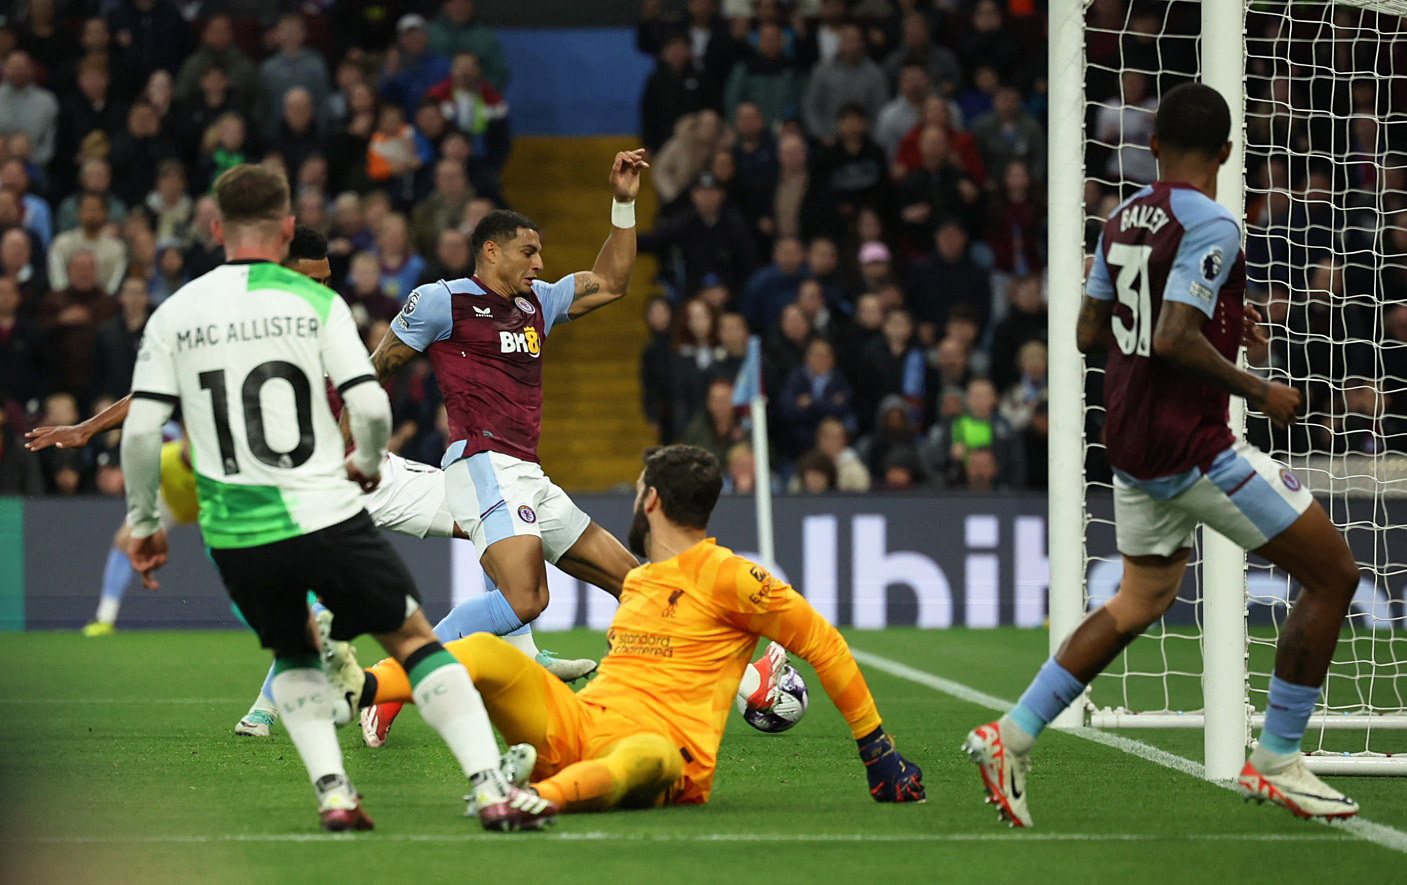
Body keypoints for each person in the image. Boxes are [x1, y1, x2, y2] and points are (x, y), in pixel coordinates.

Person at [963, 83, 1362, 827]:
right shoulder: (1213, 220)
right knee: (1333, 573)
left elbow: (1089, 333)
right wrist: (1258, 387)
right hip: (1194, 444)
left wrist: (1212, 322)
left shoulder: (1120, 217)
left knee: (1139, 598)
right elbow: (1173, 335)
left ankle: (1007, 734)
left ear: (1150, 147)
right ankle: (1276, 758)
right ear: (1226, 151)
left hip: (1129, 440)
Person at [118, 164, 554, 833]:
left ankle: (333, 793)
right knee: (413, 639)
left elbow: (145, 431)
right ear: (288, 229)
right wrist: (368, 462)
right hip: (323, 507)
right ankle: (491, 787)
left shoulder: (176, 313)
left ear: (214, 229)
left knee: (293, 651)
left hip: (236, 529)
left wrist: (146, 521)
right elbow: (369, 404)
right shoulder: (315, 305)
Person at [331, 445, 926, 813]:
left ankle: (535, 798)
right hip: (580, 727)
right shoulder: (640, 583)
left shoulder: (734, 578)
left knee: (651, 754)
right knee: (486, 650)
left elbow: (822, 643)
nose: (635, 495)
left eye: (640, 488)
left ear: (652, 503)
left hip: (667, 759)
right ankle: (362, 690)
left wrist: (879, 753)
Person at [359, 152, 652, 741]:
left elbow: (614, 283)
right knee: (525, 599)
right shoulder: (442, 300)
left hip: (528, 472)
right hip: (480, 463)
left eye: (541, 253)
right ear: (490, 250)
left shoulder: (537, 304)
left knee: (636, 581)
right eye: (529, 252)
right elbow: (377, 371)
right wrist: (348, 440)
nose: (540, 264)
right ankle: (390, 683)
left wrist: (622, 201)